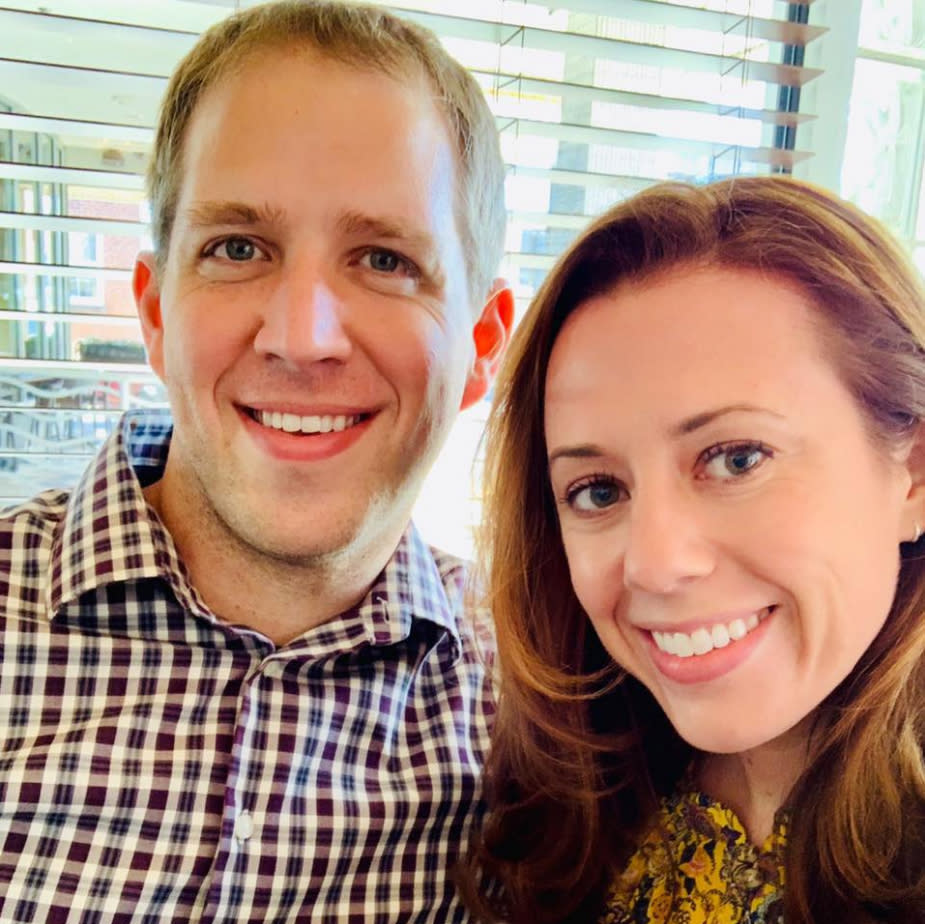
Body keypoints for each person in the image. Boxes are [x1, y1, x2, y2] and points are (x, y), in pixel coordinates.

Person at [0, 1, 513, 921]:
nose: (302, 337)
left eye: (387, 259)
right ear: (156, 315)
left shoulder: (543, 718)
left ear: (479, 344)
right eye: (237, 248)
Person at [462, 176, 925, 924]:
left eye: (737, 458)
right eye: (598, 491)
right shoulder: (578, 803)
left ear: (909, 471)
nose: (654, 562)